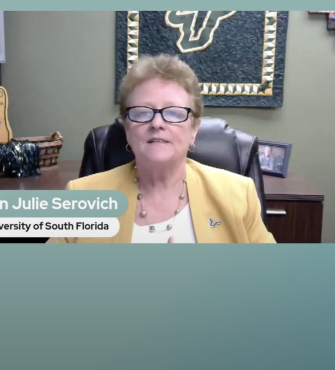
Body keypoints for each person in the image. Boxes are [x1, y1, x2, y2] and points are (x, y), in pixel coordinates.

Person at [48, 54, 275, 244]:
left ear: (194, 128)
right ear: (127, 127)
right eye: (142, 112)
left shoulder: (239, 195)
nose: (157, 123)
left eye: (174, 112)